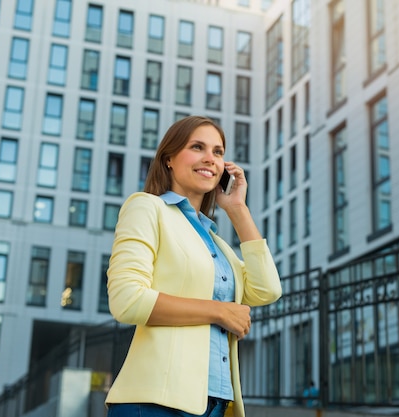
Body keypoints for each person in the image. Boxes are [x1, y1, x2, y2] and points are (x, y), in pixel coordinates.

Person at [105, 116, 282, 417]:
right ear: (169, 159)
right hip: (156, 403)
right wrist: (219, 310)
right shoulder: (147, 207)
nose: (210, 159)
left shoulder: (216, 243)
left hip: (214, 405)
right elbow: (127, 299)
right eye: (197, 147)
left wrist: (238, 210)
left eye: (218, 152)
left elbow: (267, 290)